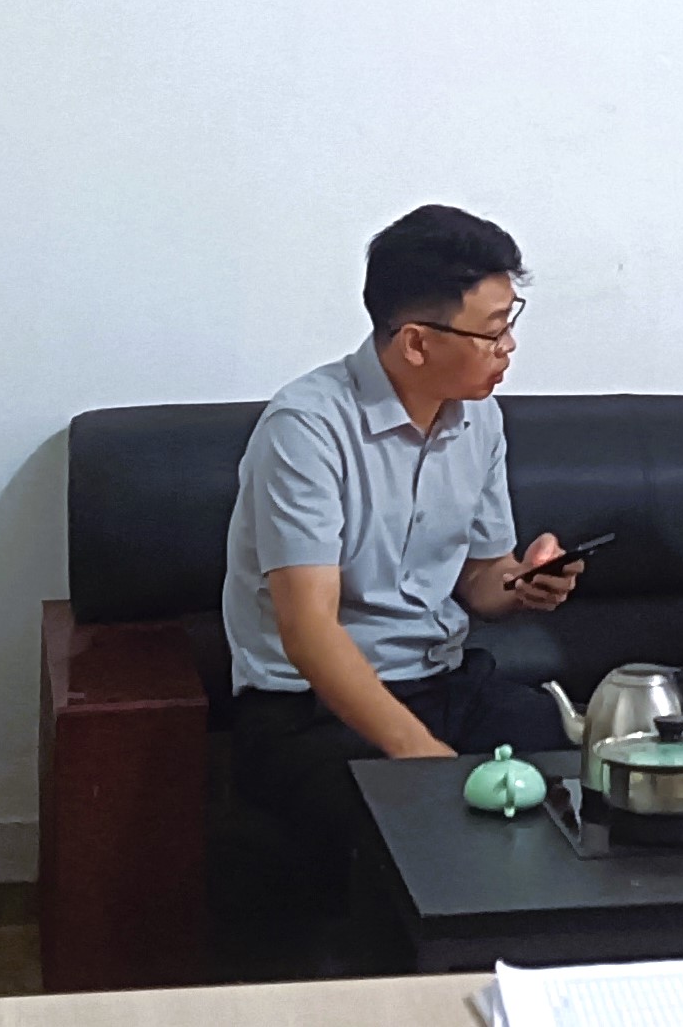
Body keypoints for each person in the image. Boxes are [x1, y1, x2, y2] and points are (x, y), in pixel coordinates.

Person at [225, 204, 586, 886]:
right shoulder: (306, 429)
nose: (509, 346)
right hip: (310, 707)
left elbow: (482, 578)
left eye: (511, 322)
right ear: (416, 343)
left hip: (442, 680)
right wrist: (420, 755)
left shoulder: (480, 418)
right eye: (493, 331)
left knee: (574, 775)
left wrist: (524, 583)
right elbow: (308, 630)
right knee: (418, 829)